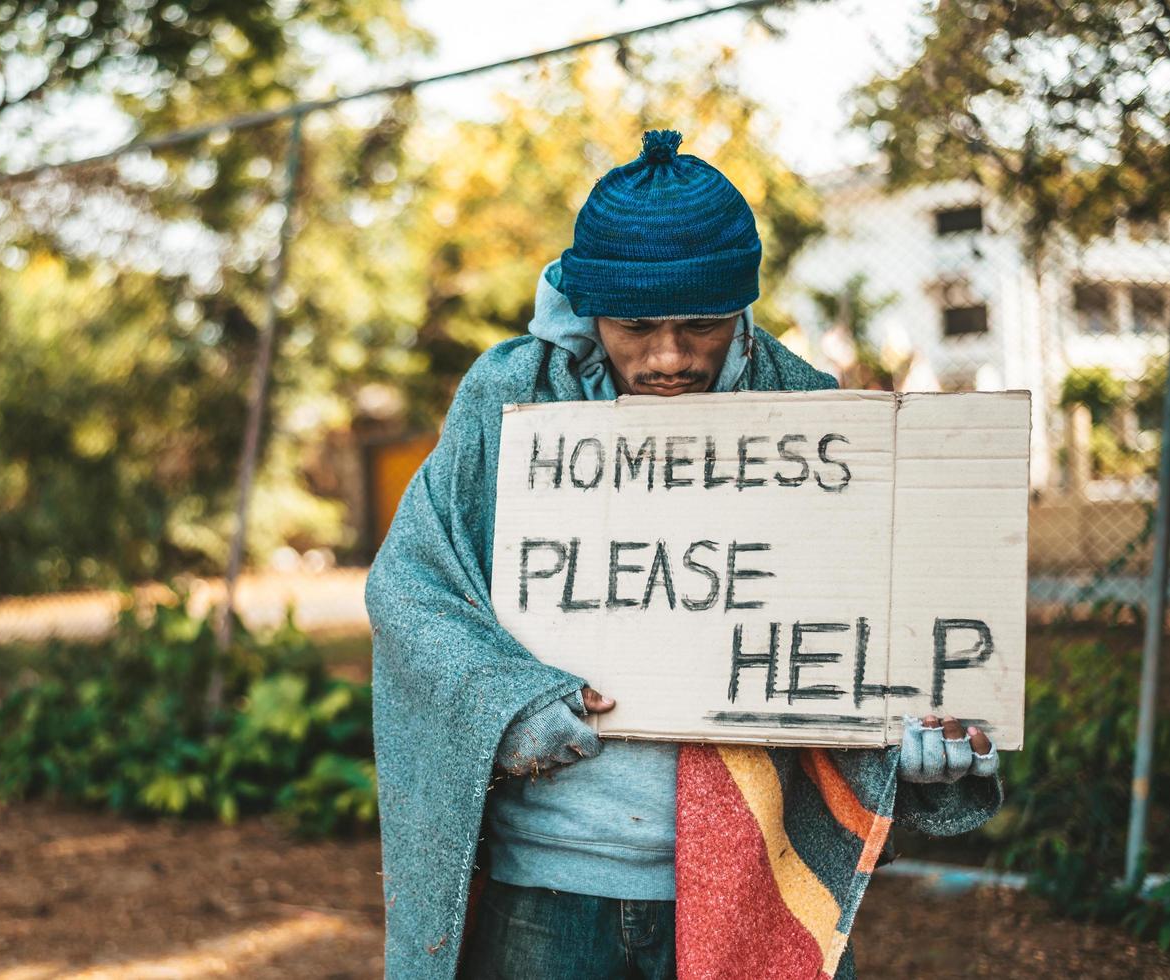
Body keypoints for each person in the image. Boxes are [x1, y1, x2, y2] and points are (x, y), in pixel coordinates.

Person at [365, 129, 1003, 980]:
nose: (667, 357)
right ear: (589, 307)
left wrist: (917, 740)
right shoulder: (511, 399)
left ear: (741, 306)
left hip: (758, 879)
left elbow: (876, 630)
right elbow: (412, 587)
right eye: (635, 326)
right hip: (544, 876)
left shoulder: (815, 417)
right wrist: (512, 706)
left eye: (700, 325)